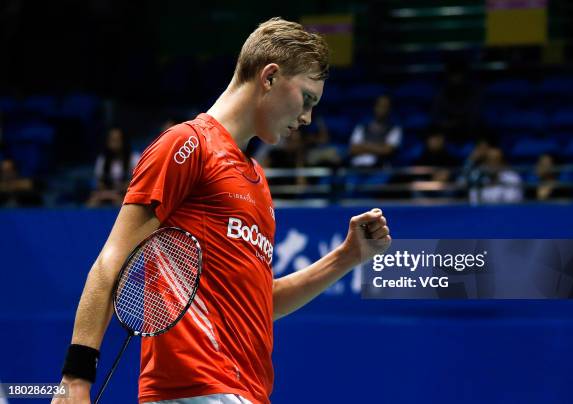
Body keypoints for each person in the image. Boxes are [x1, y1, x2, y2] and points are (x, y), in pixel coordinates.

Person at [53, 17, 391, 404]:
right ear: (269, 77)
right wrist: (76, 378)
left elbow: (264, 303)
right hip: (194, 388)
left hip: (246, 392)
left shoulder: (257, 182)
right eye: (307, 100)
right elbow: (112, 262)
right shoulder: (187, 145)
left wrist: (347, 257)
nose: (306, 119)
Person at [87, 127, 140, 207]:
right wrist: (108, 194)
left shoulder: (134, 158)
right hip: (107, 193)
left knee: (120, 202)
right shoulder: (103, 160)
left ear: (124, 141)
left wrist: (119, 191)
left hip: (126, 195)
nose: (114, 143)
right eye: (112, 140)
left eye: (117, 140)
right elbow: (100, 183)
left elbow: (136, 184)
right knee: (92, 202)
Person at [348, 94, 402, 167]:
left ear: (390, 109)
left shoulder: (395, 129)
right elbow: (353, 149)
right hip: (357, 168)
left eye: (385, 106)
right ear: (374, 107)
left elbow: (387, 151)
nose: (382, 109)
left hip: (378, 170)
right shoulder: (361, 127)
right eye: (379, 106)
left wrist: (364, 145)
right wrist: (379, 147)